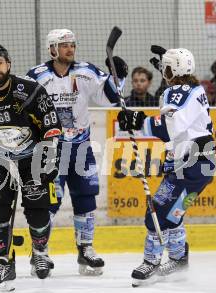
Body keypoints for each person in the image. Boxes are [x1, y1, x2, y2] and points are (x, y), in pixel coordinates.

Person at [26, 29, 128, 276]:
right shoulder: (36, 77)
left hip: (80, 146)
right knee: (48, 202)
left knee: (86, 198)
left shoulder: (86, 71)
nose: (70, 49)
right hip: (49, 150)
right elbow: (24, 109)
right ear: (52, 49)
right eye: (64, 45)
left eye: (72, 45)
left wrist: (120, 75)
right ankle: (40, 253)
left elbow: (110, 99)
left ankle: (85, 249)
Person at [0, 44, 62, 292]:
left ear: (9, 64)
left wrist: (50, 159)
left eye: (0, 63)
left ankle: (40, 252)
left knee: (38, 209)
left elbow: (51, 126)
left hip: (33, 155)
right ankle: (4, 262)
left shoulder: (30, 91)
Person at [117, 48, 216, 286]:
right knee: (174, 214)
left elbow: (171, 127)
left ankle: (151, 261)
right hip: (202, 167)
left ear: (175, 70)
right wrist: (167, 66)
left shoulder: (176, 91)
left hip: (191, 166)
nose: (164, 71)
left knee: (158, 212)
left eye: (167, 68)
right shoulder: (196, 87)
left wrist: (138, 121)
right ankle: (179, 258)